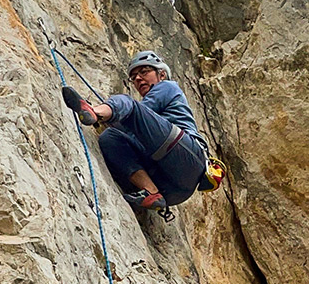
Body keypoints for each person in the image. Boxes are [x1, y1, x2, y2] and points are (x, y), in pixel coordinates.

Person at [62, 50, 209, 212]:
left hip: (188, 157)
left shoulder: (168, 87)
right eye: (134, 77)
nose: (138, 78)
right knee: (109, 138)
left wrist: (104, 114)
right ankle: (151, 192)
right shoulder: (147, 122)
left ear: (162, 74)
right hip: (173, 191)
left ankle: (95, 112)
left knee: (127, 102)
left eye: (144, 72)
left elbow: (135, 110)